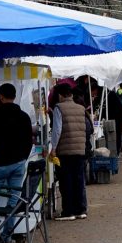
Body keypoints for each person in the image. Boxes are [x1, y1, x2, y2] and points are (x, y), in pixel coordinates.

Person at [0, 83, 34, 243]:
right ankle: (8, 235)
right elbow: (29, 141)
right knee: (13, 200)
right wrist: (23, 159)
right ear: (15, 96)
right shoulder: (24, 116)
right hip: (18, 163)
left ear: (1, 96)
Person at [50, 83, 89, 221]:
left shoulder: (59, 108)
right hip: (79, 149)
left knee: (66, 181)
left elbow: (57, 130)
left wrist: (53, 148)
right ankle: (81, 209)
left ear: (60, 95)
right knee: (79, 180)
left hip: (65, 150)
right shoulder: (80, 108)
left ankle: (68, 211)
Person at [106, 86, 122, 156]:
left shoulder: (109, 96)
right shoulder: (112, 94)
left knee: (117, 135)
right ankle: (118, 150)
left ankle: (117, 151)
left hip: (118, 118)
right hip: (120, 117)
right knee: (118, 135)